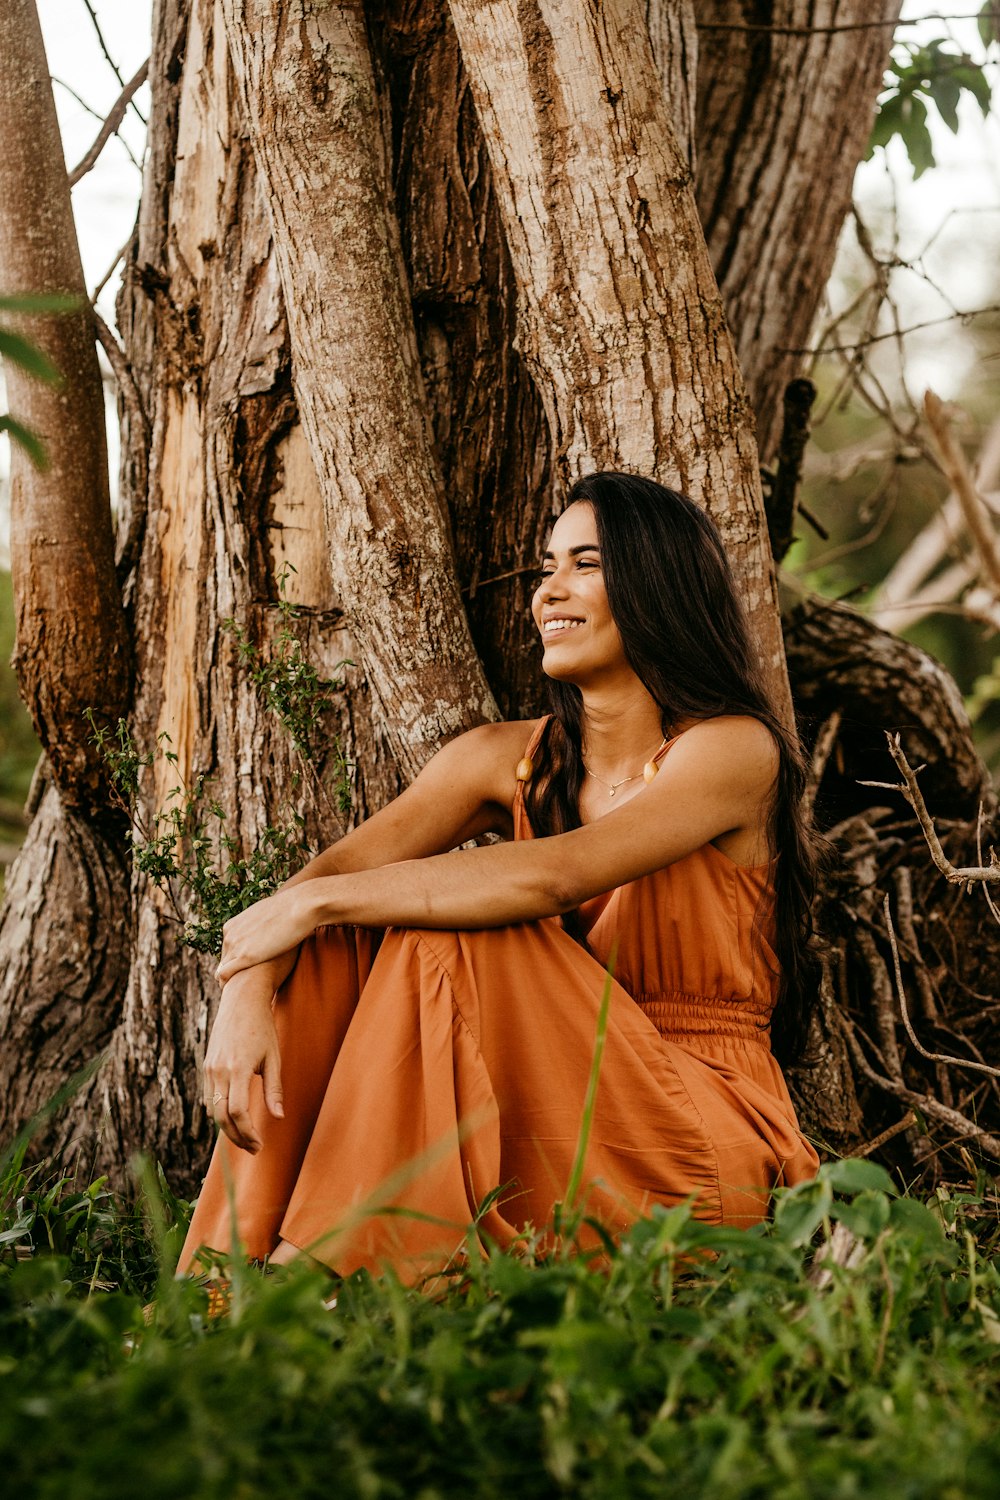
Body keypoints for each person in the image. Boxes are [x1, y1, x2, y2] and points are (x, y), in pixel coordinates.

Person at [178, 472, 820, 1283]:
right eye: (546, 567)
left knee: (448, 929)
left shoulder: (732, 751)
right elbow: (334, 874)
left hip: (694, 1139)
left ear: (657, 582)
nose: (549, 590)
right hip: (549, 1118)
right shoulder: (502, 758)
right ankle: (229, 1276)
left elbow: (555, 876)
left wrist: (306, 905)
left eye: (585, 564)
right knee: (339, 936)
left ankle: (320, 1281)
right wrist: (249, 981)